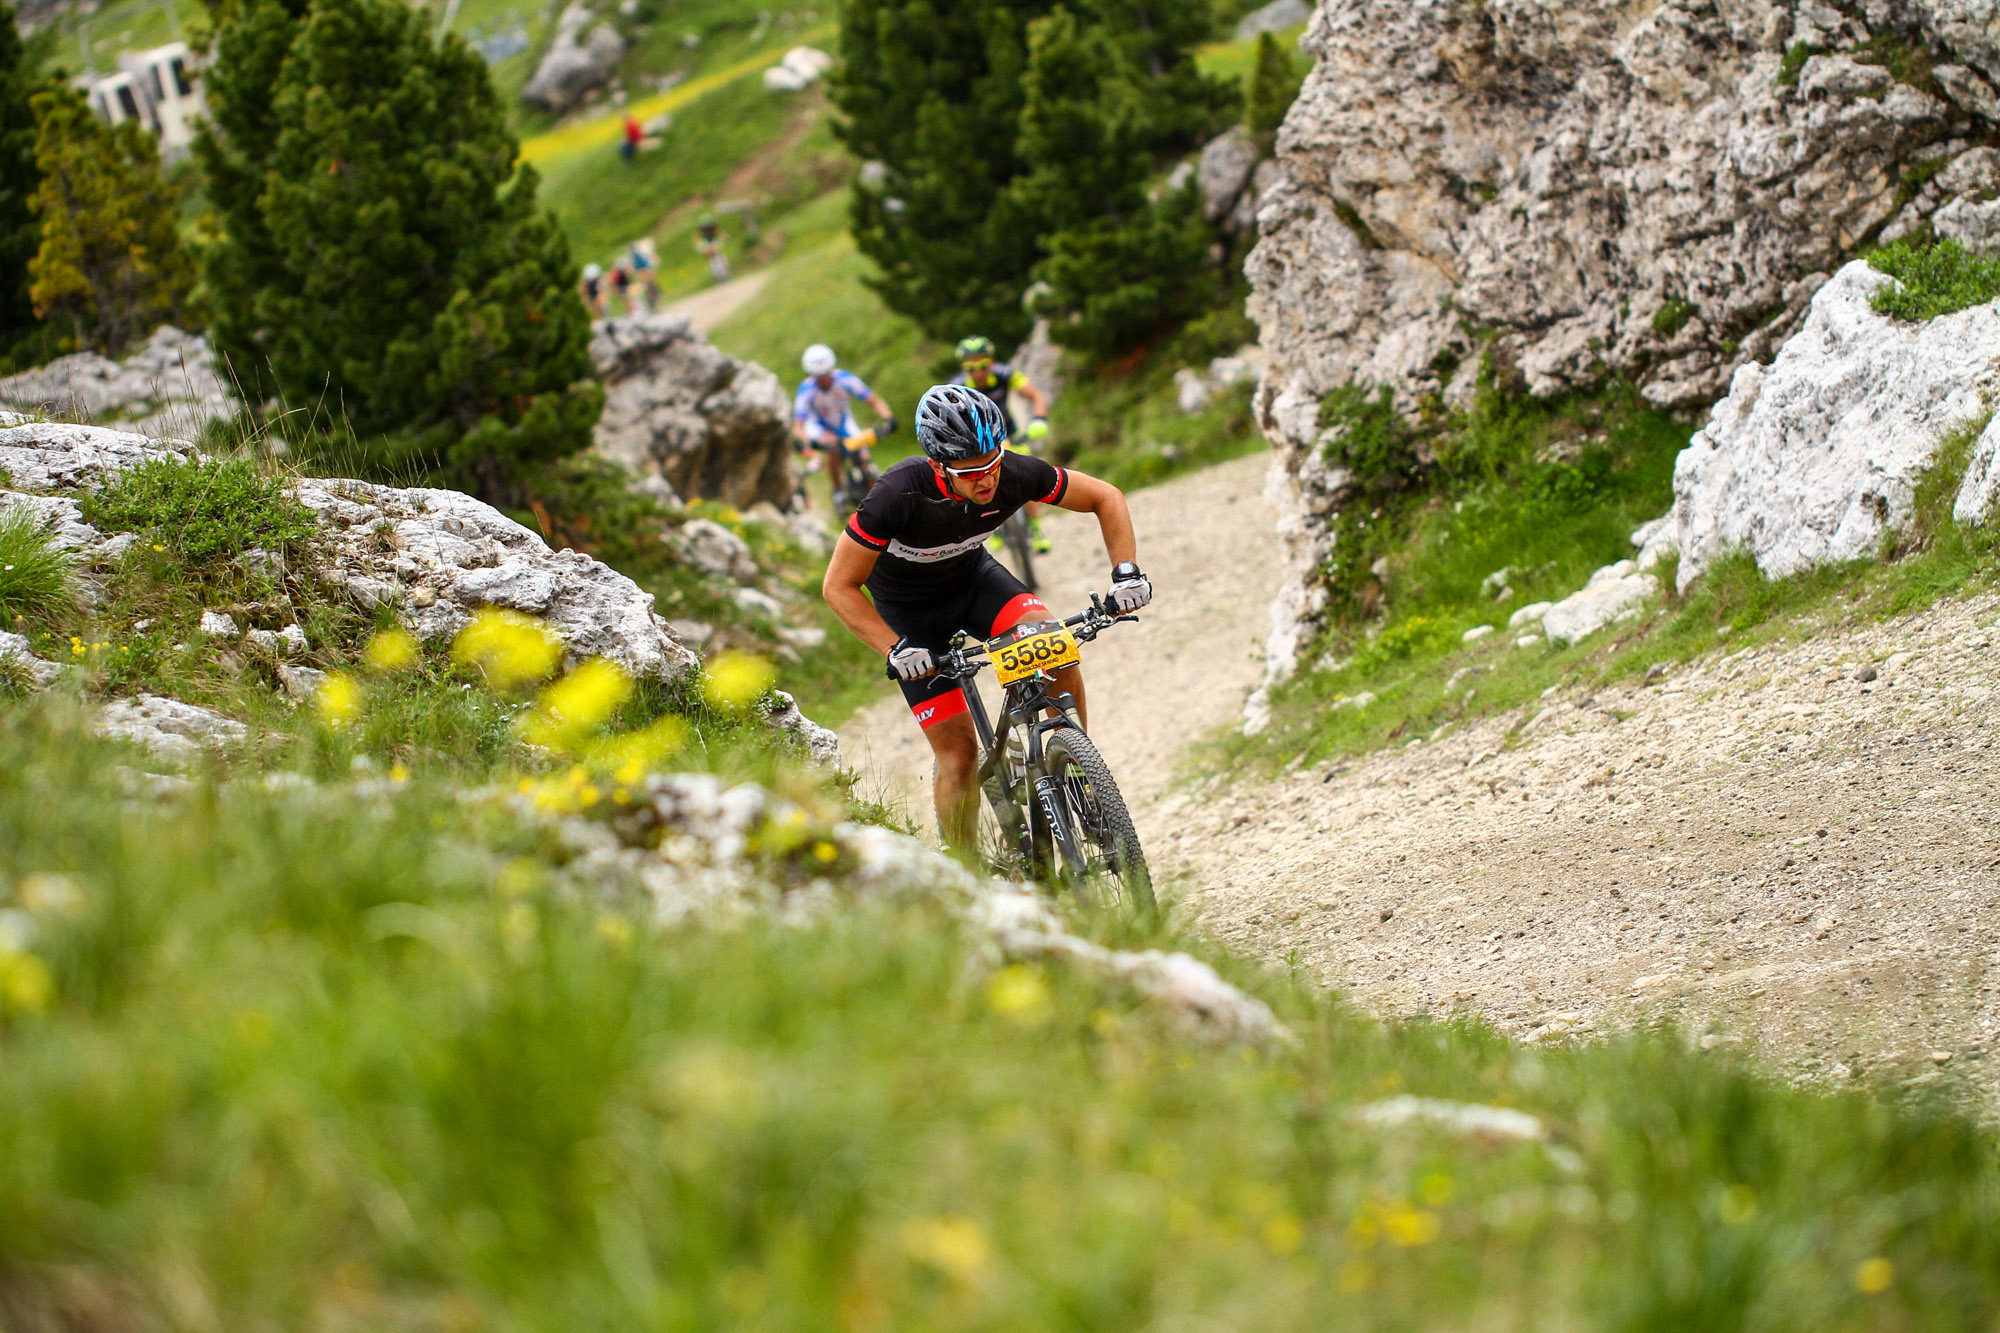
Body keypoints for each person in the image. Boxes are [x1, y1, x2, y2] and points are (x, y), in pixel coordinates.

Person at [821, 384, 1153, 848]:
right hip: (909, 618)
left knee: (1056, 650)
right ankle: (964, 876)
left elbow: (1106, 497)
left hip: (975, 585)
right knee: (958, 758)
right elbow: (838, 586)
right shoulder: (895, 495)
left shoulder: (1013, 471)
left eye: (993, 462)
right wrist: (894, 649)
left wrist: (1126, 573)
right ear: (938, 466)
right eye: (971, 471)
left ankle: (1076, 770)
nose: (987, 479)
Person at [950, 335, 1054, 554]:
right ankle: (991, 529)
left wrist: (1039, 418)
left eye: (983, 365)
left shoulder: (1006, 374)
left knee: (1026, 477)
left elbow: (1036, 395)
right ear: (964, 368)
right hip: (977, 444)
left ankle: (1035, 529)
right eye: (972, 368)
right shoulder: (956, 388)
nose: (978, 372)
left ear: (992, 361)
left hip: (1009, 432)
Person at [793, 343, 894, 481]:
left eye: (826, 374)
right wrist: (808, 441)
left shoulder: (845, 379)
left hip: (844, 422)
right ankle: (837, 490)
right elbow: (798, 427)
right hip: (819, 426)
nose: (823, 380)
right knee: (832, 447)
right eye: (818, 377)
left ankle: (872, 490)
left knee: (864, 458)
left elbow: (874, 401)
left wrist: (888, 418)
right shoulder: (806, 390)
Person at [695, 214, 730, 283]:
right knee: (712, 261)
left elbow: (722, 236)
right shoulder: (700, 232)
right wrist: (702, 247)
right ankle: (718, 275)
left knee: (721, 259)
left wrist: (724, 239)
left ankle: (725, 273)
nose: (707, 228)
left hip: (715, 245)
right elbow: (697, 242)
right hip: (707, 247)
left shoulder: (715, 229)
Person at [627, 238, 660, 312]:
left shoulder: (635, 255)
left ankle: (653, 298)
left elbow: (641, 266)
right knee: (649, 284)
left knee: (650, 284)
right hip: (643, 270)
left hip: (643, 269)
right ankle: (652, 299)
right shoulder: (636, 254)